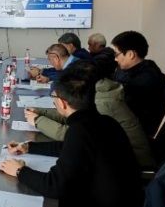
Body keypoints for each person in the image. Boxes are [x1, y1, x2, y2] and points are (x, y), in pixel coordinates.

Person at [0, 72, 143, 207]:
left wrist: (19, 171)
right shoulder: (104, 122)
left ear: (62, 103)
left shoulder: (80, 131)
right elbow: (68, 147)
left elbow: (54, 186)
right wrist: (29, 147)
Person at [25, 60, 155, 169]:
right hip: (111, 156)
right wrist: (42, 112)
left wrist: (38, 121)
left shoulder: (104, 103)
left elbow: (73, 135)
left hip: (132, 165)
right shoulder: (98, 91)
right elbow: (74, 117)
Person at [110, 31, 165, 136]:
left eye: (116, 54)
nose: (115, 58)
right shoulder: (126, 69)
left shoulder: (145, 80)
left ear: (130, 54)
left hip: (131, 132)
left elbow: (117, 105)